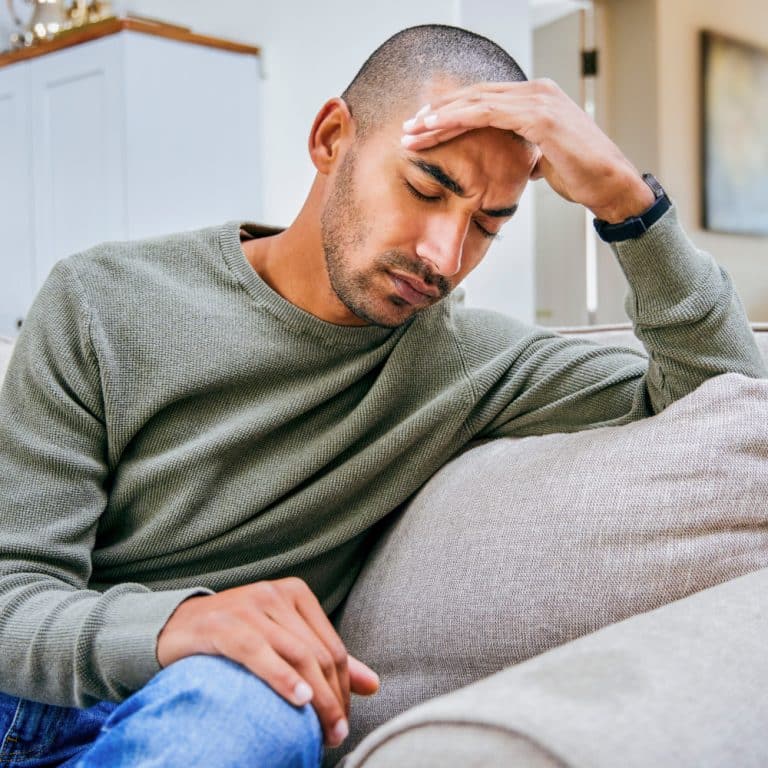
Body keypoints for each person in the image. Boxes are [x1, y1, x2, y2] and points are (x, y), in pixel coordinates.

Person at [0, 22, 764, 768]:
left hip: (216, 706)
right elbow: (12, 596)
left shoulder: (469, 361)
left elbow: (729, 413)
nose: (445, 256)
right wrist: (179, 623)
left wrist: (629, 205)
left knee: (268, 702)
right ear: (331, 138)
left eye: (486, 225)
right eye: (426, 188)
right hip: (31, 694)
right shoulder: (104, 300)